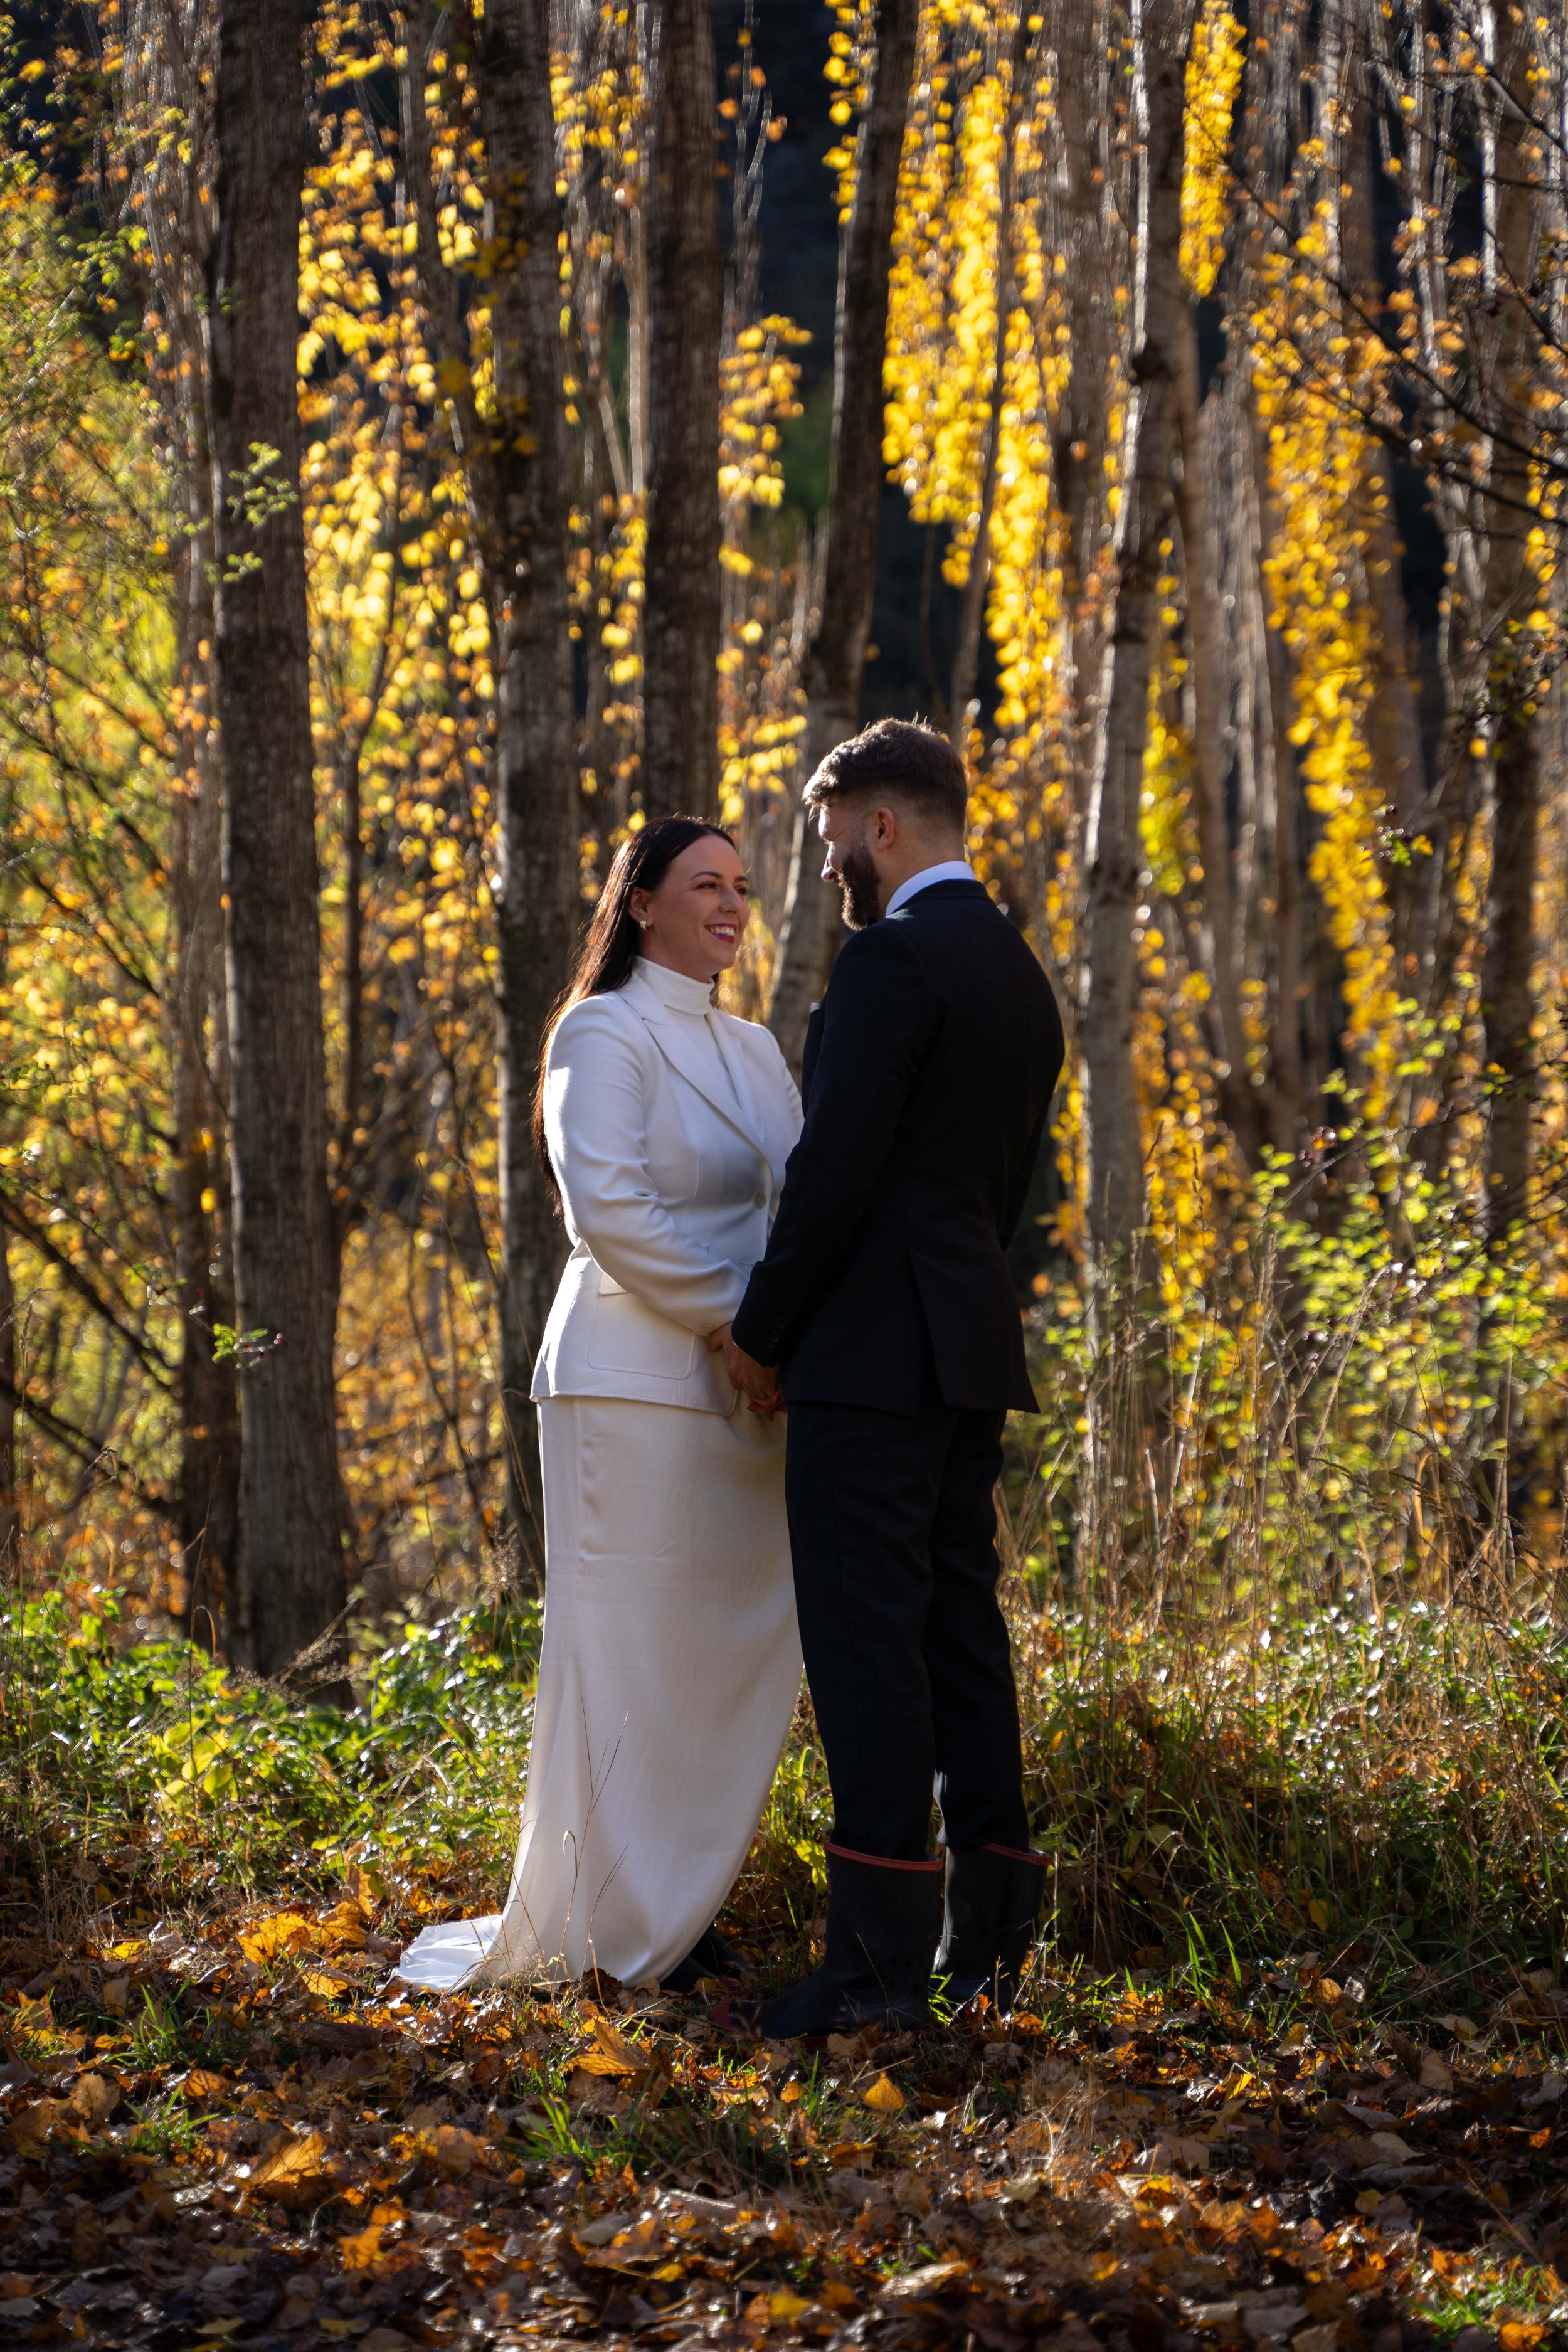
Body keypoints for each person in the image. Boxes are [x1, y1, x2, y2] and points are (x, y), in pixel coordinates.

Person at [395, 818, 803, 1995]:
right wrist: (738, 1324)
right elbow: (608, 1209)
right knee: (625, 1656)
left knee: (716, 1659)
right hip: (634, 1384)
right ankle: (618, 1920)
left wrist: (781, 1342)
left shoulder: (761, 1050)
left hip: (749, 1397)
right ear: (641, 904)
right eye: (703, 885)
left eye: (741, 886)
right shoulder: (599, 1029)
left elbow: (803, 1208)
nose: (730, 905)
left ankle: (681, 1905)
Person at [711, 719, 1064, 2036]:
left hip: (865, 1358)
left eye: (829, 842)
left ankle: (868, 1975)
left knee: (866, 1645)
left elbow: (833, 1178)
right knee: (957, 1637)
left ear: (881, 827)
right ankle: (987, 1958)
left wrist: (763, 1330)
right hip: (966, 1347)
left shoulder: (890, 965)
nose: (821, 871)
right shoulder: (1017, 977)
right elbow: (997, 1188)